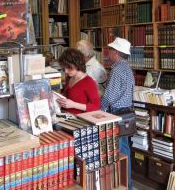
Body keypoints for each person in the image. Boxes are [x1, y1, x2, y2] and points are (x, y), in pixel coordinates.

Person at [101, 37, 134, 190]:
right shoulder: (127, 68)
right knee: (125, 151)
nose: (108, 53)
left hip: (116, 114)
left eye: (110, 50)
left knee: (116, 152)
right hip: (127, 114)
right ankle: (128, 185)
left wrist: (100, 109)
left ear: (116, 52)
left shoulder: (117, 69)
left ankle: (119, 185)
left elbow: (109, 96)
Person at [56, 48, 100, 114]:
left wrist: (74, 105)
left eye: (68, 67)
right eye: (63, 68)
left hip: (78, 119)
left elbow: (96, 107)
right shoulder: (69, 77)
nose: (65, 71)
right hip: (64, 115)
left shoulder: (89, 82)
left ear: (77, 64)